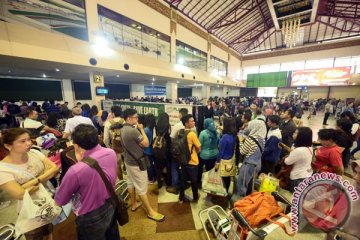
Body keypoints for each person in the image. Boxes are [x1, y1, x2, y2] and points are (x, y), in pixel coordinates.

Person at [55, 124, 120, 240]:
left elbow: (61, 200)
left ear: (76, 145)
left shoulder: (76, 170)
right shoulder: (111, 152)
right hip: (110, 203)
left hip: (89, 215)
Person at [0, 128, 59, 240]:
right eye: (22, 141)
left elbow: (54, 168)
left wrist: (30, 183)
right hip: (28, 210)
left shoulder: (34, 153)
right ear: (8, 146)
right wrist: (44, 176)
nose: (29, 143)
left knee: (49, 232)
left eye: (28, 139)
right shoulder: (3, 169)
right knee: (35, 236)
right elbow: (20, 194)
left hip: (47, 201)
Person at [120, 108, 165, 222]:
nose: (137, 119)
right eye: (135, 117)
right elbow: (146, 143)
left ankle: (134, 203)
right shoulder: (133, 130)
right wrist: (141, 130)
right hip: (136, 163)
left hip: (128, 161)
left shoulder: (123, 129)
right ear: (129, 118)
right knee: (141, 187)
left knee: (130, 182)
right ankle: (150, 212)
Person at [237, 117, 265, 197]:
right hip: (258, 163)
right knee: (250, 182)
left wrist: (241, 141)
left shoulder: (250, 139)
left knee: (242, 183)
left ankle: (241, 202)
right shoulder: (262, 139)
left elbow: (242, 151)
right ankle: (248, 198)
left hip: (249, 164)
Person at [178, 114, 201, 203]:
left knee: (183, 180)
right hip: (192, 161)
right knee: (194, 181)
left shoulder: (180, 132)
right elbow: (199, 147)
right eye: (191, 121)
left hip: (183, 160)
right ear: (186, 123)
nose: (194, 122)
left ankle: (181, 198)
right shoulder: (192, 134)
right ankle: (195, 197)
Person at [284, 127, 313, 193]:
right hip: (306, 175)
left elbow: (287, 162)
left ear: (301, 136)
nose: (293, 134)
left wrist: (287, 156)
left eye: (296, 133)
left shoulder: (298, 150)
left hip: (297, 177)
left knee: (294, 197)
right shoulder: (309, 148)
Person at [215, 117, 236, 193]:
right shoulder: (234, 135)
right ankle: (226, 191)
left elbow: (221, 152)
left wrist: (217, 162)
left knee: (223, 178)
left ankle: (224, 192)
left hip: (223, 160)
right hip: (230, 159)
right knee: (228, 178)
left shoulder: (225, 137)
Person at [198, 118, 219, 186]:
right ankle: (209, 183)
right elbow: (218, 143)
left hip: (204, 155)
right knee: (210, 170)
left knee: (199, 169)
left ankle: (199, 183)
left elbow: (199, 145)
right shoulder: (217, 132)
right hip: (215, 155)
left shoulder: (203, 133)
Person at [154, 112, 172, 189]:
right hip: (166, 148)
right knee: (168, 166)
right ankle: (168, 182)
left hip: (158, 148)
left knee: (158, 168)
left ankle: (159, 183)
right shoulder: (168, 125)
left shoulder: (156, 126)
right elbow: (169, 136)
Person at [144, 113, 156, 184]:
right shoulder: (154, 128)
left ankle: (151, 179)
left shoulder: (145, 130)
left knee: (149, 165)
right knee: (153, 164)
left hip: (147, 150)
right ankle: (154, 176)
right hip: (154, 149)